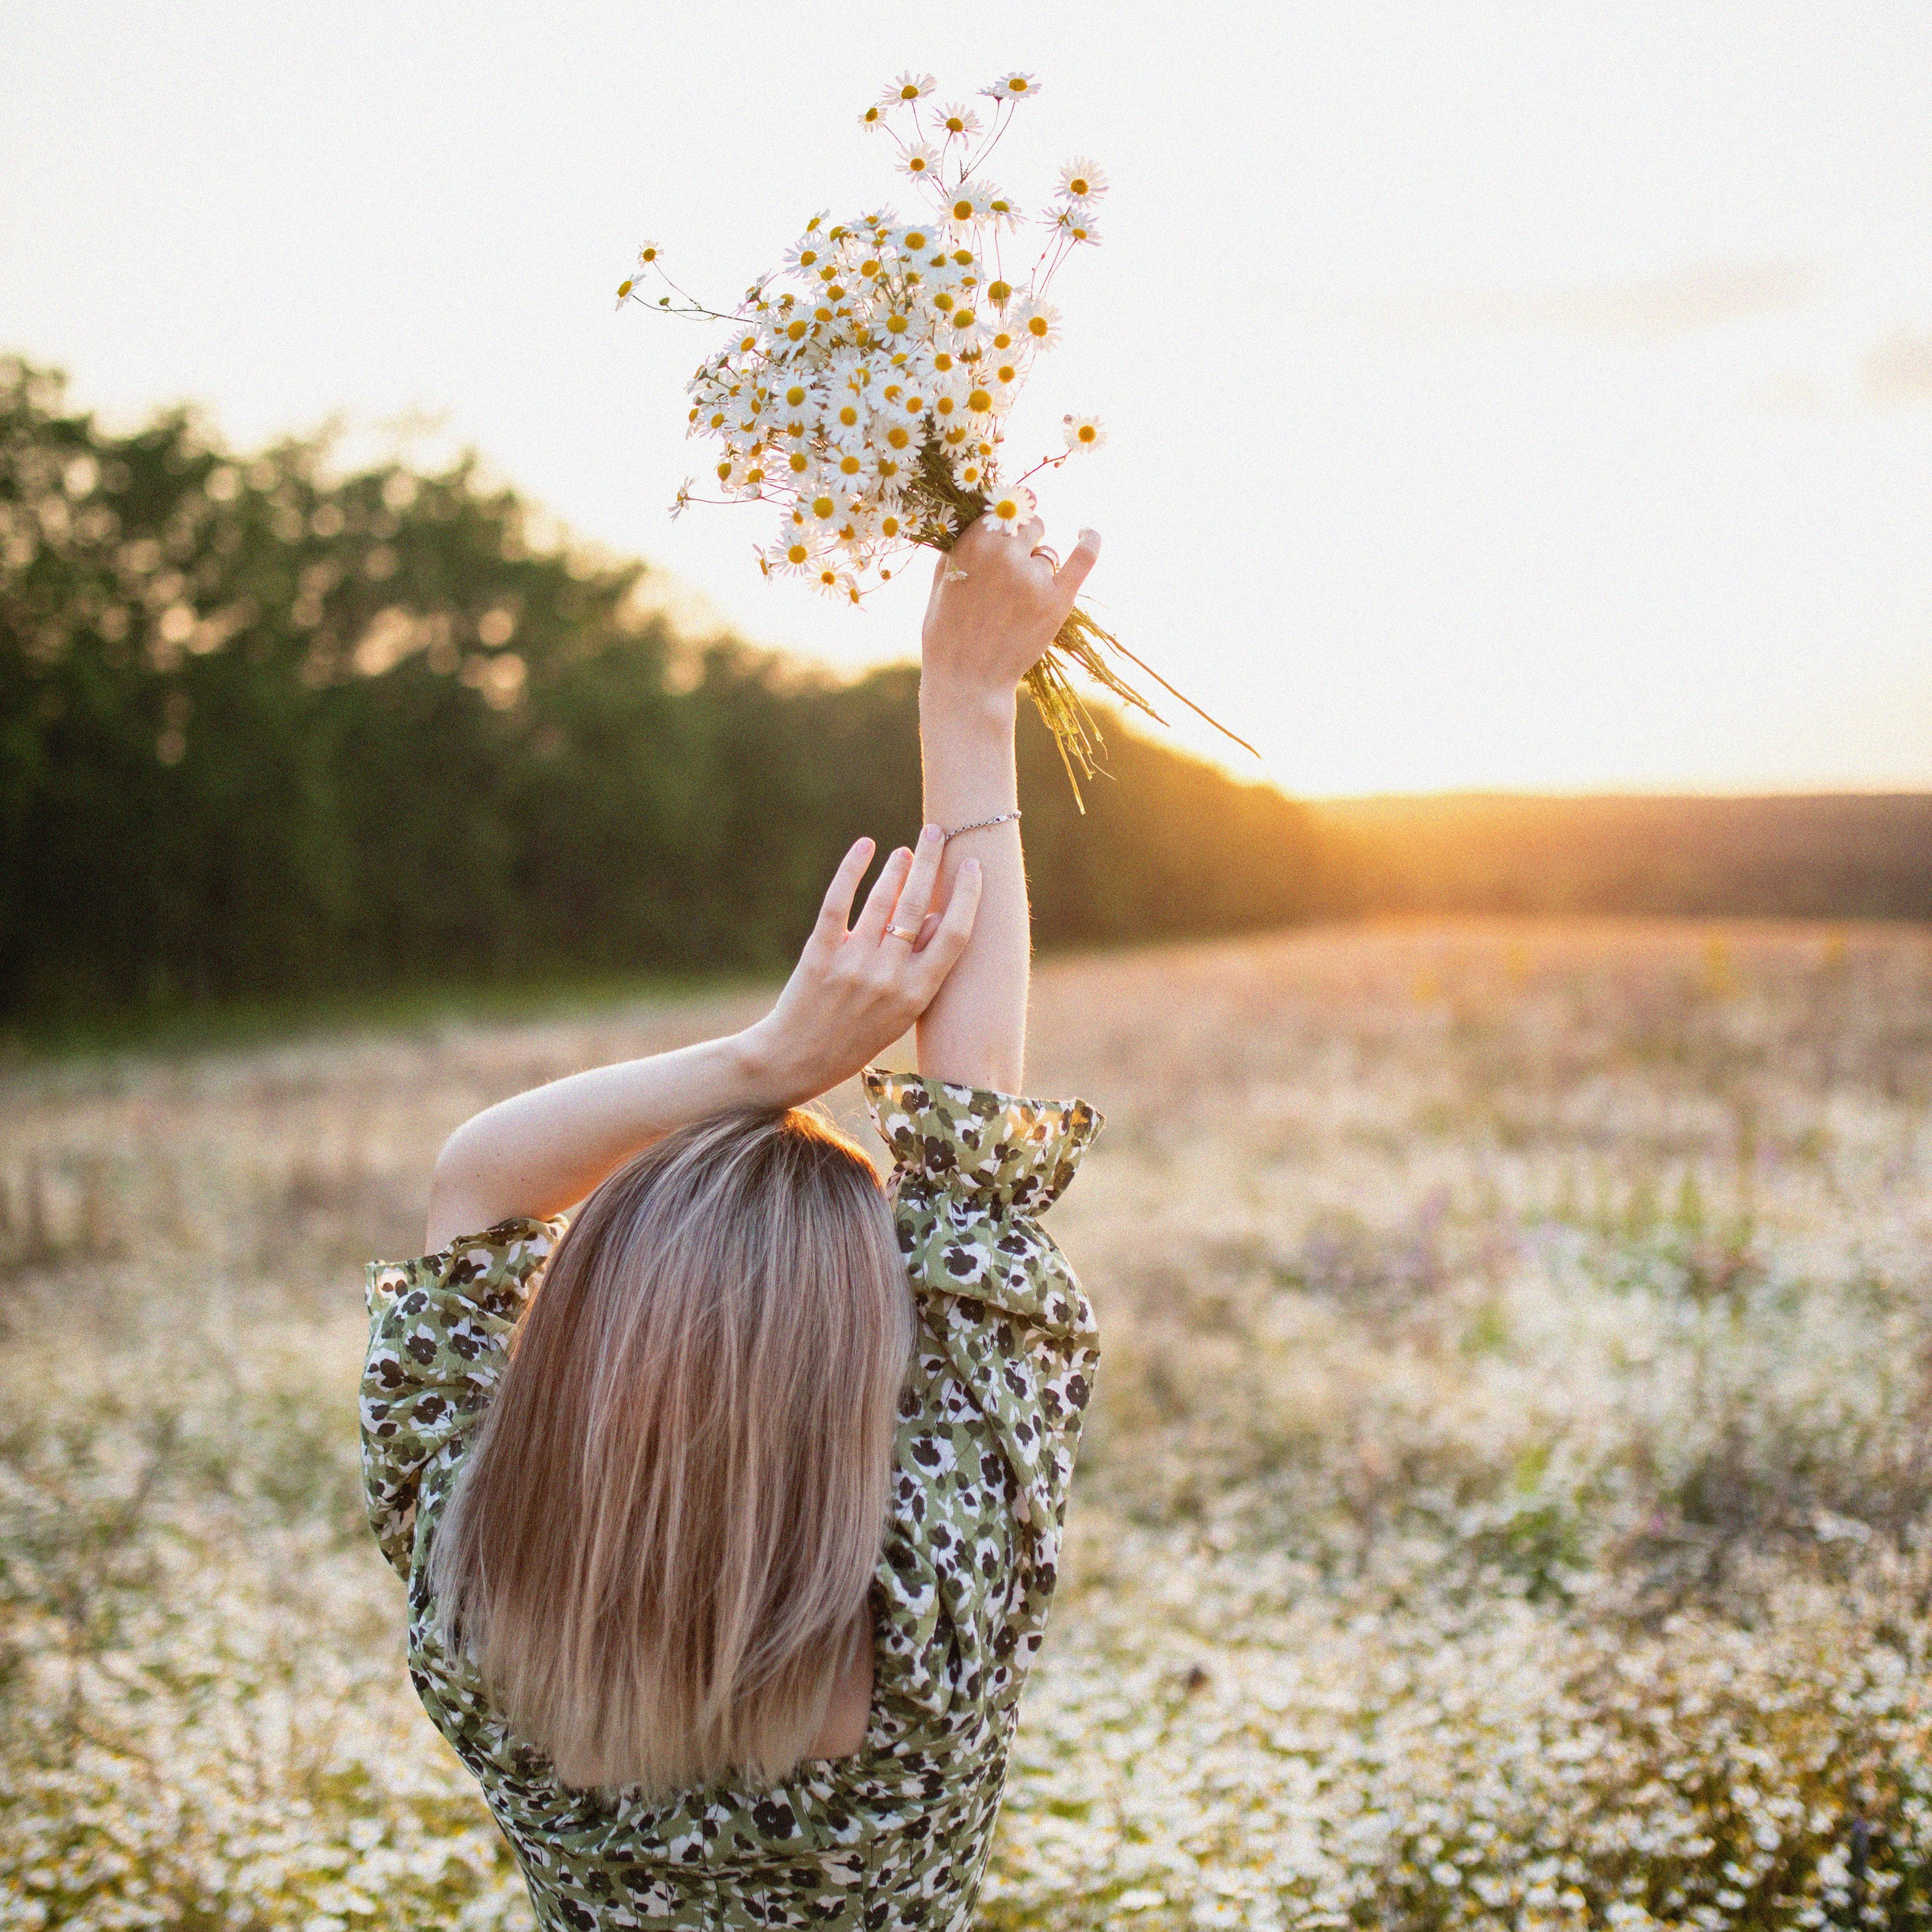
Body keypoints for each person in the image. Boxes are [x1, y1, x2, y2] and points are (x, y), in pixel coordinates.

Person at [360, 514, 1107, 1930]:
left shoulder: (471, 1600)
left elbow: (474, 1187)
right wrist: (969, 696)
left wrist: (770, 1063)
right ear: (856, 1382)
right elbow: (976, 1148)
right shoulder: (930, 1616)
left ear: (574, 1344)